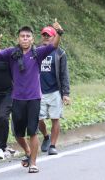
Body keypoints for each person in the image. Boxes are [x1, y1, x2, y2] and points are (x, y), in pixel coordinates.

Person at [0, 21, 64, 174]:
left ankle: (34, 163)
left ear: (32, 39)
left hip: (34, 98)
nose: (24, 38)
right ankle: (28, 152)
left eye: (27, 36)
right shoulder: (11, 53)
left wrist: (59, 33)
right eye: (22, 36)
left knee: (33, 131)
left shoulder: (38, 53)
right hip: (17, 98)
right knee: (18, 133)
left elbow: (53, 46)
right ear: (18, 39)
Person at [38, 26, 70, 155]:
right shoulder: (36, 51)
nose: (46, 37)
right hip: (39, 92)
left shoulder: (60, 53)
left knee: (55, 118)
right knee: (38, 119)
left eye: (49, 35)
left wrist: (66, 93)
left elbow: (64, 74)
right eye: (44, 35)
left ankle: (53, 145)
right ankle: (46, 136)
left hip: (55, 91)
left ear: (54, 37)